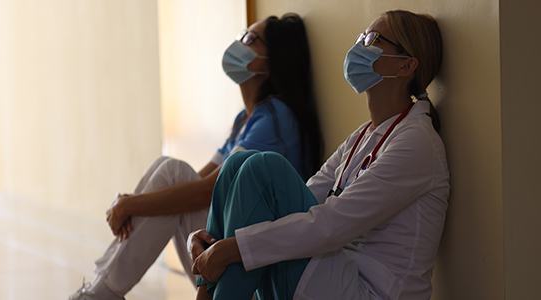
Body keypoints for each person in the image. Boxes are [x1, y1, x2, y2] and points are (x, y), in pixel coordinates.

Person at [189, 10, 449, 300]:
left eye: (372, 39)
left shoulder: (416, 142)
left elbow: (332, 224)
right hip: (337, 273)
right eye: (361, 36)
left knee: (264, 167)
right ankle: (205, 288)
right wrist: (216, 248)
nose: (358, 46)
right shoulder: (363, 135)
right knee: (238, 163)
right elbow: (307, 197)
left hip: (369, 290)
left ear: (406, 66)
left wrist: (232, 248)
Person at [69, 13, 323, 300]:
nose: (239, 43)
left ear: (270, 62)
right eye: (242, 35)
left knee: (173, 173)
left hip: (255, 275)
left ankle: (100, 293)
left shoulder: (276, 119)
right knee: (170, 170)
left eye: (251, 39)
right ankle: (100, 291)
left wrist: (130, 204)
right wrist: (132, 204)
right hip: (226, 261)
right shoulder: (245, 119)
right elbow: (198, 182)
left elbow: (204, 191)